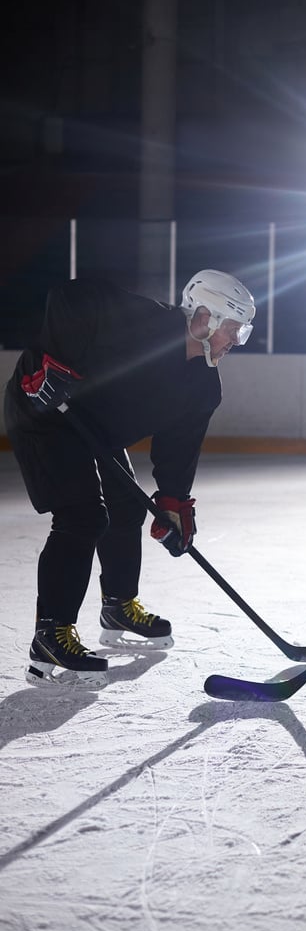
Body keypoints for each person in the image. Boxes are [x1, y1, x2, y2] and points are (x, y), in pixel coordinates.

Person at [4, 269, 256, 688]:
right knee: (82, 516)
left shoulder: (203, 387)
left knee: (126, 507)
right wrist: (51, 363)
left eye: (242, 332)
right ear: (205, 318)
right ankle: (51, 633)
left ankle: (118, 606)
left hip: (94, 426)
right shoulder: (145, 320)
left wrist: (173, 503)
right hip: (44, 411)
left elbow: (178, 450)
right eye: (234, 329)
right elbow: (69, 297)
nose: (236, 340)